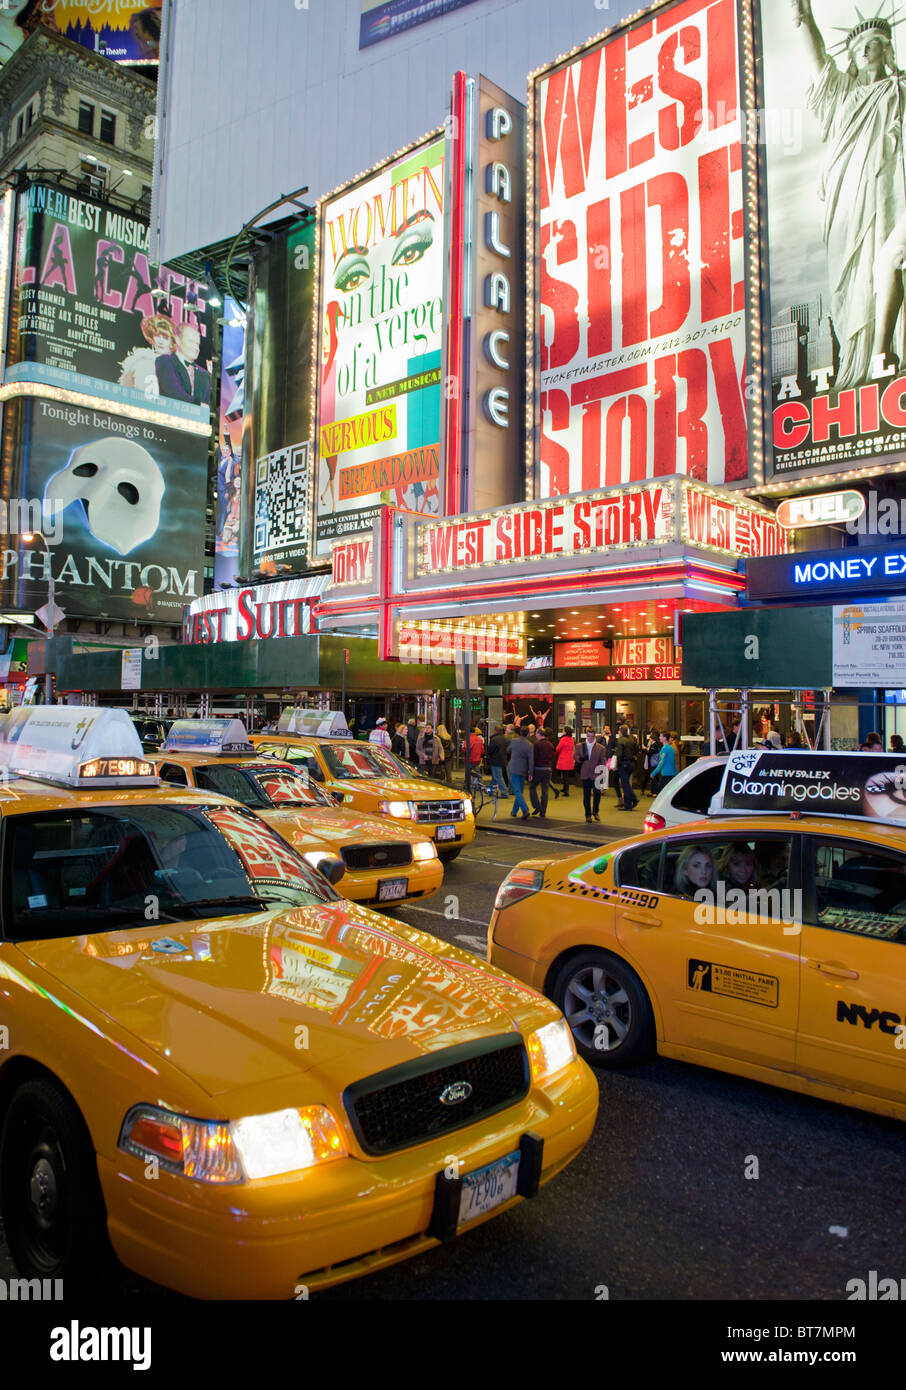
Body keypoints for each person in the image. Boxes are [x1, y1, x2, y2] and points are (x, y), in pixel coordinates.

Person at [791, 3, 906, 385]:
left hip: (891, 189)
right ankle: (860, 363)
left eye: (876, 44)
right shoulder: (843, 95)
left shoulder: (899, 90)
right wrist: (804, 15)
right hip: (849, 200)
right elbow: (818, 59)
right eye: (862, 47)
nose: (868, 51)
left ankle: (886, 354)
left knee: (889, 263)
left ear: (887, 50)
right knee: (855, 282)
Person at [155, 322, 211, 404]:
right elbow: (174, 392)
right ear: (178, 340)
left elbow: (208, 404)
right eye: (191, 342)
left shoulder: (205, 374)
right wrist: (198, 405)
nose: (196, 348)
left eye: (197, 344)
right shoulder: (165, 361)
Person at [576, 727, 607, 823]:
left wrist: (602, 774)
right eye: (589, 736)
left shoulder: (601, 748)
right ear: (586, 735)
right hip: (585, 774)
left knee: (597, 794)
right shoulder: (580, 746)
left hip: (596, 774)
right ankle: (588, 815)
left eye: (592, 736)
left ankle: (595, 812)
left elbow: (603, 761)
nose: (590, 738)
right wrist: (580, 758)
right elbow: (575, 757)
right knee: (586, 795)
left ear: (595, 736)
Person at [507, 728, 534, 820]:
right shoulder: (530, 745)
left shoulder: (513, 741)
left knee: (517, 791)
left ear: (520, 733)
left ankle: (525, 810)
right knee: (520, 791)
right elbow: (531, 760)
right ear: (527, 735)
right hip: (523, 769)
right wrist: (530, 773)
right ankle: (514, 811)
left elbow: (508, 750)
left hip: (513, 768)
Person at [530, 729, 554, 818]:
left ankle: (537, 806)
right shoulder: (550, 744)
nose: (535, 735)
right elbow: (552, 757)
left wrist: (531, 772)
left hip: (538, 769)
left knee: (532, 787)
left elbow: (534, 758)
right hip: (548, 769)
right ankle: (543, 811)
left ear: (539, 734)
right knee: (545, 790)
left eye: (536, 733)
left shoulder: (536, 744)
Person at [615, 724, 639, 811]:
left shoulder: (621, 741)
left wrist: (617, 764)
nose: (618, 732)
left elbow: (619, 754)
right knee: (626, 784)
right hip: (631, 764)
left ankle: (629, 804)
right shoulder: (632, 739)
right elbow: (637, 750)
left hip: (624, 765)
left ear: (621, 732)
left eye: (619, 731)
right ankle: (633, 800)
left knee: (625, 785)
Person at [649, 731, 677, 795]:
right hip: (671, 773)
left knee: (661, 793)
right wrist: (675, 774)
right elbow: (673, 762)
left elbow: (661, 763)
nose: (659, 737)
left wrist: (653, 773)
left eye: (661, 736)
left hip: (666, 774)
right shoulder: (671, 748)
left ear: (665, 738)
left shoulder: (664, 749)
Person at [487, 725, 510, 797]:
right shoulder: (505, 739)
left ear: (495, 730)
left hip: (495, 760)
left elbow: (490, 750)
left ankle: (504, 792)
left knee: (498, 777)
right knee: (495, 777)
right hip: (503, 760)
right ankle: (490, 791)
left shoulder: (494, 739)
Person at [554, 726, 575, 799]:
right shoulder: (571, 739)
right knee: (566, 775)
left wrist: (554, 754)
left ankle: (566, 791)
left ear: (565, 732)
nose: (562, 731)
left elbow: (558, 749)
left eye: (563, 730)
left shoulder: (563, 739)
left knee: (565, 776)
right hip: (569, 759)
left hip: (563, 759)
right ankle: (564, 788)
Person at [466, 724, 485, 793]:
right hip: (477, 759)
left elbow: (464, 749)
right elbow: (483, 750)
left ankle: (469, 786)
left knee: (468, 773)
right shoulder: (479, 740)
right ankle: (479, 785)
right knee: (477, 773)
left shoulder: (468, 739)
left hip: (470, 759)